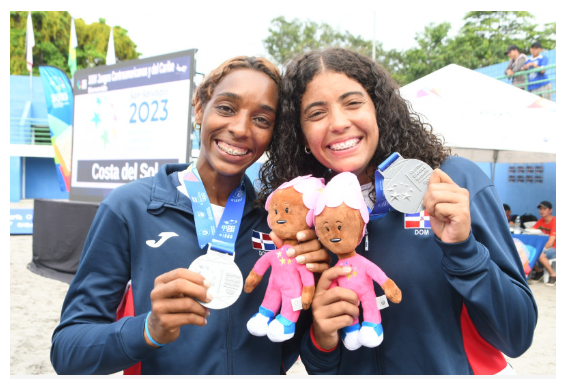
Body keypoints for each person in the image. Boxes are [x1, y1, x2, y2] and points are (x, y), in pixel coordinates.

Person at [259, 47, 537, 375]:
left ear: (380, 110)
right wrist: (322, 336)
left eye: (353, 103)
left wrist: (464, 250)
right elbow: (323, 367)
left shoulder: (450, 181)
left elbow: (516, 335)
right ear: (302, 135)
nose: (338, 123)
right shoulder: (307, 218)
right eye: (316, 114)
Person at [50, 56, 330, 375]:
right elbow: (68, 351)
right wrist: (148, 330)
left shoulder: (278, 221)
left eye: (262, 120)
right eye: (226, 108)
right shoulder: (129, 207)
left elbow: (298, 346)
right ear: (199, 107)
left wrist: (316, 287)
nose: (240, 128)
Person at [528, 200, 556, 286]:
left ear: (550, 210)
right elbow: (530, 230)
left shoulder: (555, 221)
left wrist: (540, 249)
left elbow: (551, 242)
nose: (542, 211)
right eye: (540, 209)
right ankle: (539, 272)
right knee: (527, 252)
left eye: (544, 208)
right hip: (544, 248)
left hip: (554, 249)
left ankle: (553, 275)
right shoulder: (541, 221)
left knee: (538, 253)